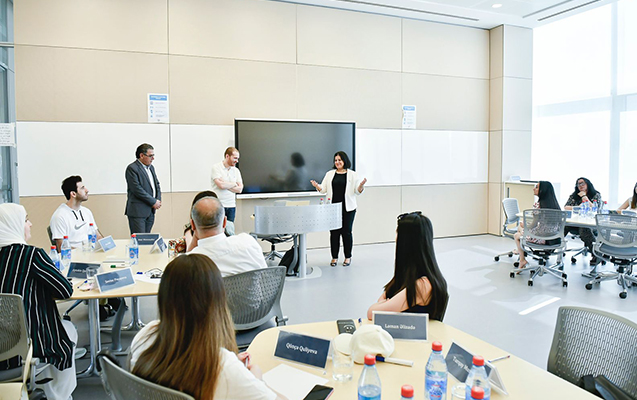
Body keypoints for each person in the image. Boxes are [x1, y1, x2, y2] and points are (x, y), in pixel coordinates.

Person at [130, 254, 279, 400]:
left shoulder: (144, 336)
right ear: (218, 300)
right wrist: (258, 380)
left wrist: (233, 366)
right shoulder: (223, 367)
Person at [0, 203, 77, 400]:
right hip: (21, 351)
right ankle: (59, 395)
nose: (30, 224)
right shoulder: (31, 255)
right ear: (14, 225)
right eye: (26, 220)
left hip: (3, 345)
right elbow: (65, 290)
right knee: (68, 331)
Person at [367, 212, 449, 321]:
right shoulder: (410, 277)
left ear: (405, 242)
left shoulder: (422, 285)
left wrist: (385, 304)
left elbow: (372, 313)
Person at [310, 151, 367, 267]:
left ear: (344, 161)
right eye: (335, 160)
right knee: (334, 233)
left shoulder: (352, 174)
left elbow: (357, 191)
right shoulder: (329, 174)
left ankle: (347, 257)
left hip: (348, 208)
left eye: (339, 160)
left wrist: (361, 186)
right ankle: (334, 257)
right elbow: (323, 189)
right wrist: (317, 186)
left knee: (347, 233)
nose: (337, 162)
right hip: (333, 209)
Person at [188, 195, 267, 277]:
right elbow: (266, 278)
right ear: (225, 222)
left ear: (192, 225)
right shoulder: (248, 242)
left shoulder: (189, 264)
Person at [513, 181, 561, 269]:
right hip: (554, 238)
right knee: (521, 229)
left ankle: (522, 258)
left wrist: (525, 225)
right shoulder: (556, 206)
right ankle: (520, 252)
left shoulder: (538, 205)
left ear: (542, 190)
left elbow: (533, 225)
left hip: (541, 238)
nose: (533, 189)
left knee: (517, 235)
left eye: (536, 187)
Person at [50, 175, 103, 249]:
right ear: (73, 194)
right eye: (82, 188)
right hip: (77, 255)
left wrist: (106, 245)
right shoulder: (59, 216)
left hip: (91, 253)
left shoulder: (87, 212)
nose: (87, 190)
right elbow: (62, 248)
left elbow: (98, 236)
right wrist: (85, 252)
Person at [563, 177, 602, 264]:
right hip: (575, 222)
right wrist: (578, 207)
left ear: (588, 184)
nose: (580, 186)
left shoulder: (596, 195)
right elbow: (566, 207)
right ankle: (550, 249)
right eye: (578, 184)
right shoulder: (574, 195)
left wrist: (584, 196)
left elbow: (595, 209)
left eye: (582, 183)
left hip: (590, 224)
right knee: (564, 226)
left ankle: (596, 254)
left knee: (584, 229)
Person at [125, 143, 162, 234]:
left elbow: (156, 184)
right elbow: (137, 189)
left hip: (150, 210)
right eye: (150, 156)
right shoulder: (132, 168)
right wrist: (153, 201)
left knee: (147, 238)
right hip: (138, 211)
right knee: (140, 239)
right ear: (141, 155)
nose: (153, 158)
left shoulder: (151, 168)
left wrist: (158, 200)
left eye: (153, 155)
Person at [211, 147, 243, 223]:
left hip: (231, 206)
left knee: (230, 228)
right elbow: (221, 186)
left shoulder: (236, 171)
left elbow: (240, 189)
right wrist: (234, 184)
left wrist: (225, 183)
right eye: (235, 158)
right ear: (227, 156)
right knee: (219, 228)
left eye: (237, 158)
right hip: (219, 205)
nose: (237, 161)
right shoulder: (216, 168)